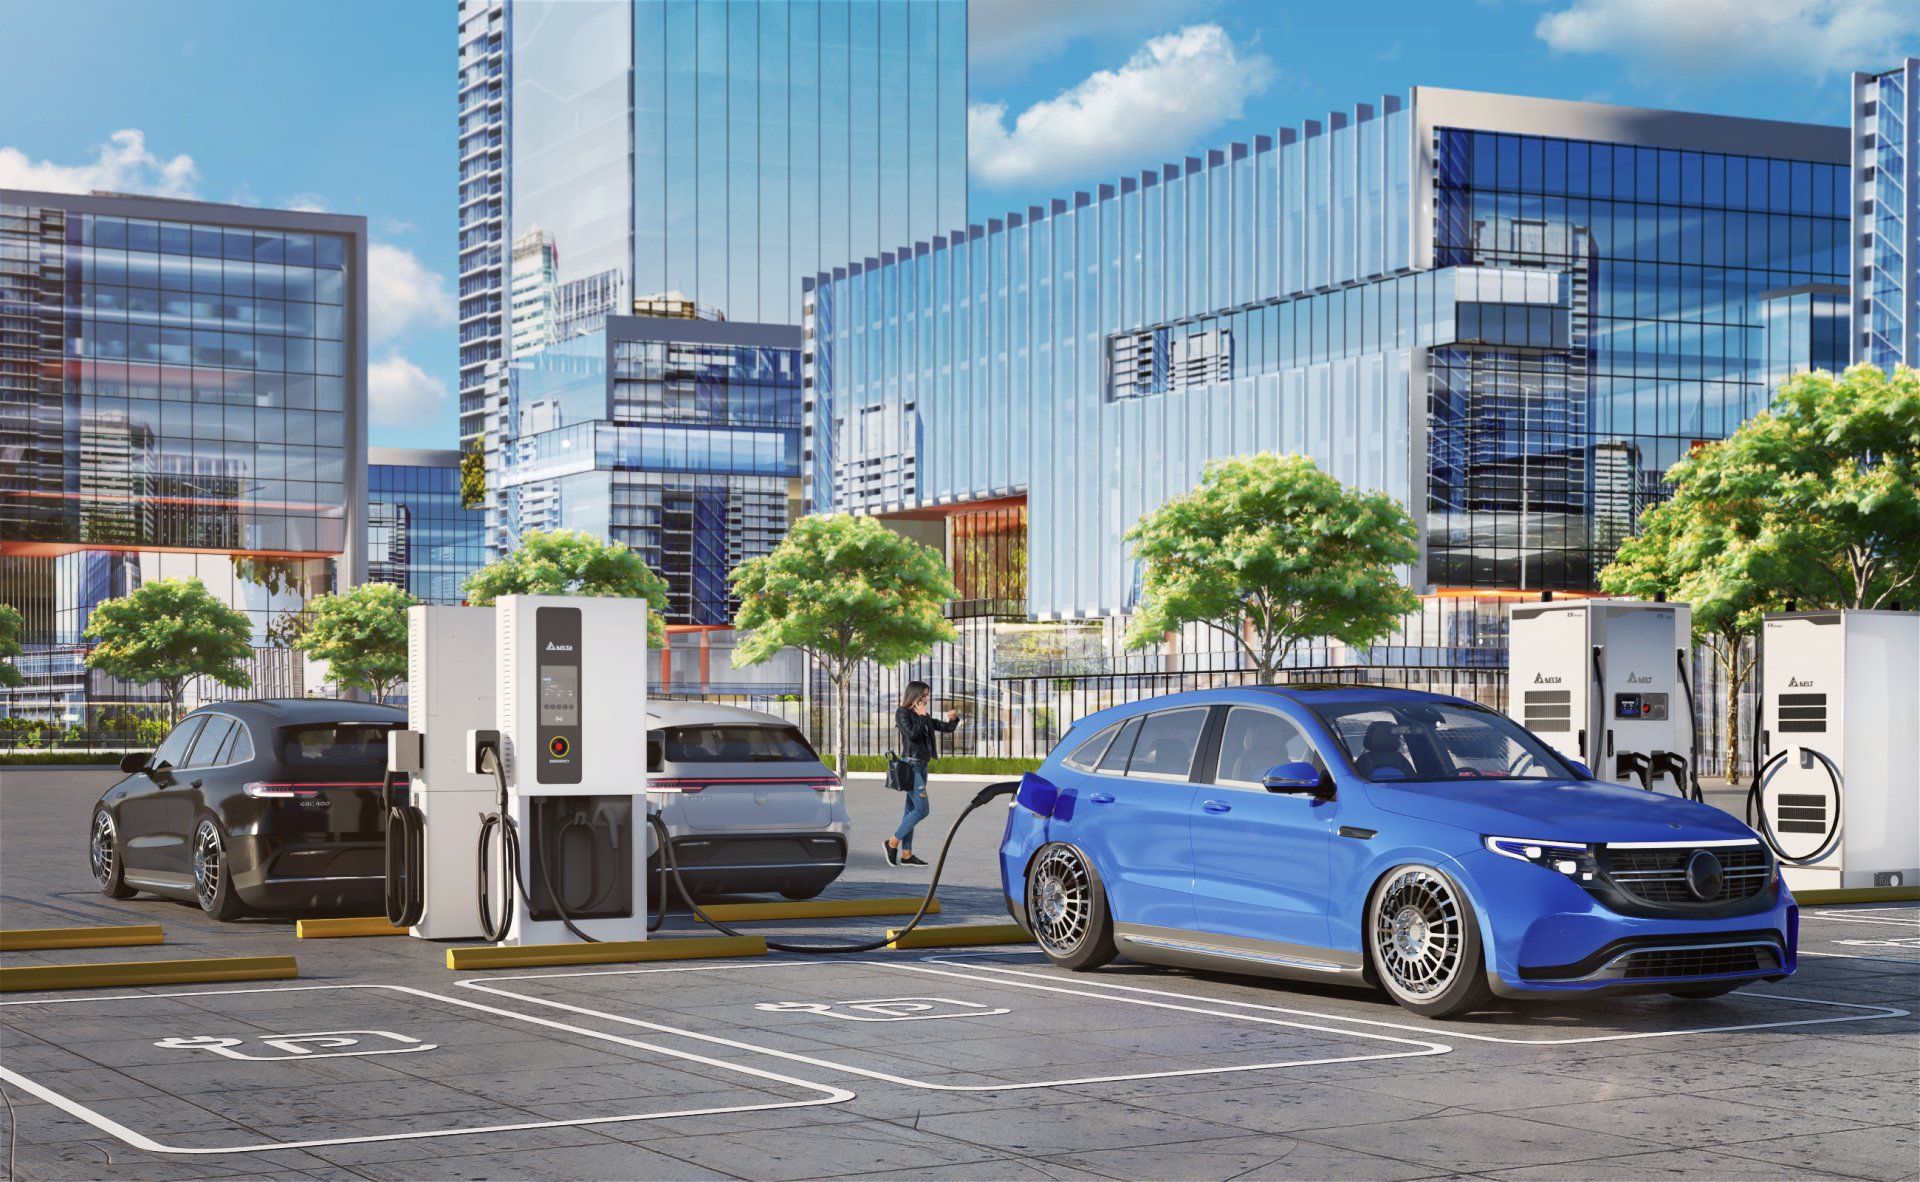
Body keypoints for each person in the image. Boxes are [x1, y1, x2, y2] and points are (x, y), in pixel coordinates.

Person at [887, 681, 959, 867]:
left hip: (922, 766)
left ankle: (907, 854)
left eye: (928, 695)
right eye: (924, 695)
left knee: (911, 811)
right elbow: (912, 735)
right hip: (910, 766)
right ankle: (892, 842)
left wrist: (953, 719)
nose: (927, 699)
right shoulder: (902, 713)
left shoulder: (923, 715)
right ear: (915, 695)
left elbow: (946, 728)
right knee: (922, 809)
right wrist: (920, 717)